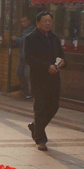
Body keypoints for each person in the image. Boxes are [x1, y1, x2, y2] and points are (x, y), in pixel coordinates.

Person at [24, 11, 65, 151]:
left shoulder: (54, 38)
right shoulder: (30, 38)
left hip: (54, 78)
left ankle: (35, 127)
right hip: (38, 78)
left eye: (49, 21)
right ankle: (40, 139)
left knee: (54, 106)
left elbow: (61, 54)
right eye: (44, 21)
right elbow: (28, 58)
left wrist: (62, 62)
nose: (47, 23)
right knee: (40, 108)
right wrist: (46, 67)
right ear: (37, 22)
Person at [13, 16, 35, 99]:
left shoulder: (31, 29)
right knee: (19, 72)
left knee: (27, 75)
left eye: (24, 21)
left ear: (29, 21)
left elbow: (24, 40)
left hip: (29, 56)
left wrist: (15, 38)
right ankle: (24, 90)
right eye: (21, 22)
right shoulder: (25, 29)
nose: (23, 23)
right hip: (22, 55)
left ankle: (30, 93)